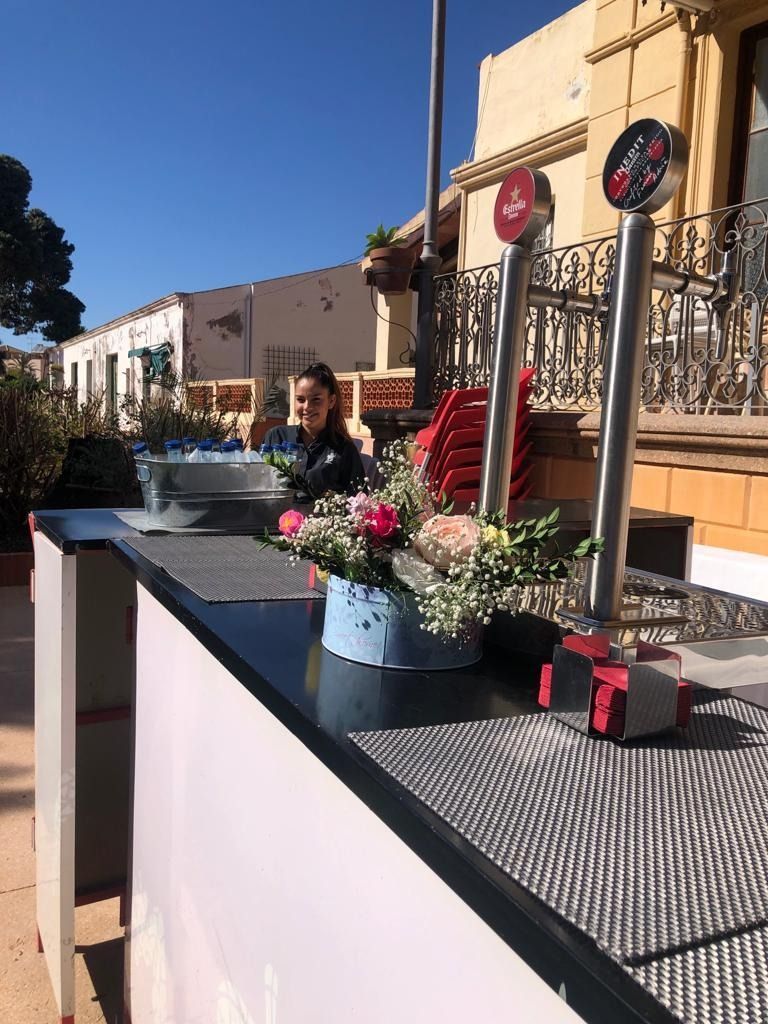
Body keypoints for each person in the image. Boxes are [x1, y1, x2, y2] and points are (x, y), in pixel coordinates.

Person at [263, 362, 365, 497]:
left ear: (331, 401)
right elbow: (258, 483)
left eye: (316, 400)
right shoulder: (276, 437)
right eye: (300, 399)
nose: (307, 407)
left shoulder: (344, 449)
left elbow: (359, 502)